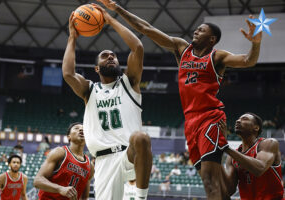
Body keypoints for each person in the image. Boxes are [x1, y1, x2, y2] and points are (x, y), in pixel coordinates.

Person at [97, 0, 262, 199]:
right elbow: (146, 28)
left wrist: (256, 42)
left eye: (201, 30)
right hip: (190, 123)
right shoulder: (182, 49)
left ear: (212, 39)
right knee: (212, 184)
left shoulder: (217, 57)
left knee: (210, 183)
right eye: (197, 29)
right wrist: (117, 9)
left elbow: (248, 60)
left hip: (210, 118)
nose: (196, 32)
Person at [62, 4, 152, 200]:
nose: (111, 57)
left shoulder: (130, 83)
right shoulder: (89, 90)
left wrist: (109, 20)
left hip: (129, 156)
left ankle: (142, 197)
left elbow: (137, 47)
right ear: (96, 69)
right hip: (103, 161)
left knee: (141, 138)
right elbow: (68, 73)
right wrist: (72, 37)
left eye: (114, 56)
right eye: (105, 56)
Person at [219, 113, 284, 199]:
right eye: (238, 119)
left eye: (244, 119)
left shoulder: (268, 143)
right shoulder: (231, 157)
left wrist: (226, 148)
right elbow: (229, 190)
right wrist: (217, 156)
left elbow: (259, 169)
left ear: (256, 128)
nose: (238, 121)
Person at [34, 122, 93, 200]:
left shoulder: (90, 166)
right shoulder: (60, 152)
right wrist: (60, 189)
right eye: (76, 128)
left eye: (84, 129)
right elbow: (37, 181)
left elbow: (84, 197)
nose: (81, 129)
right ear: (69, 137)